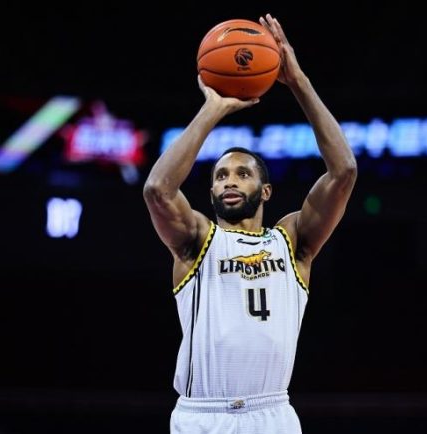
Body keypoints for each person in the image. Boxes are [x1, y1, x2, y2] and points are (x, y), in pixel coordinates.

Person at [143, 13, 357, 434]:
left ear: (266, 190)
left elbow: (344, 171)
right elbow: (157, 190)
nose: (230, 181)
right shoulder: (197, 241)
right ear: (210, 192)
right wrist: (211, 110)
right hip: (203, 415)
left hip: (272, 413)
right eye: (221, 175)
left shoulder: (293, 241)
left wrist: (298, 82)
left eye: (243, 174)